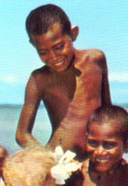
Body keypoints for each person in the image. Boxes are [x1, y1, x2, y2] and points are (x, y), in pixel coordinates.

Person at [16, 4, 111, 160]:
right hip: (59, 160)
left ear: (73, 34)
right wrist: (48, 160)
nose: (54, 57)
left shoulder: (96, 60)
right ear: (33, 46)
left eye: (59, 47)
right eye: (43, 52)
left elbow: (108, 112)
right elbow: (22, 134)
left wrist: (113, 149)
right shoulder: (39, 79)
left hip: (96, 158)